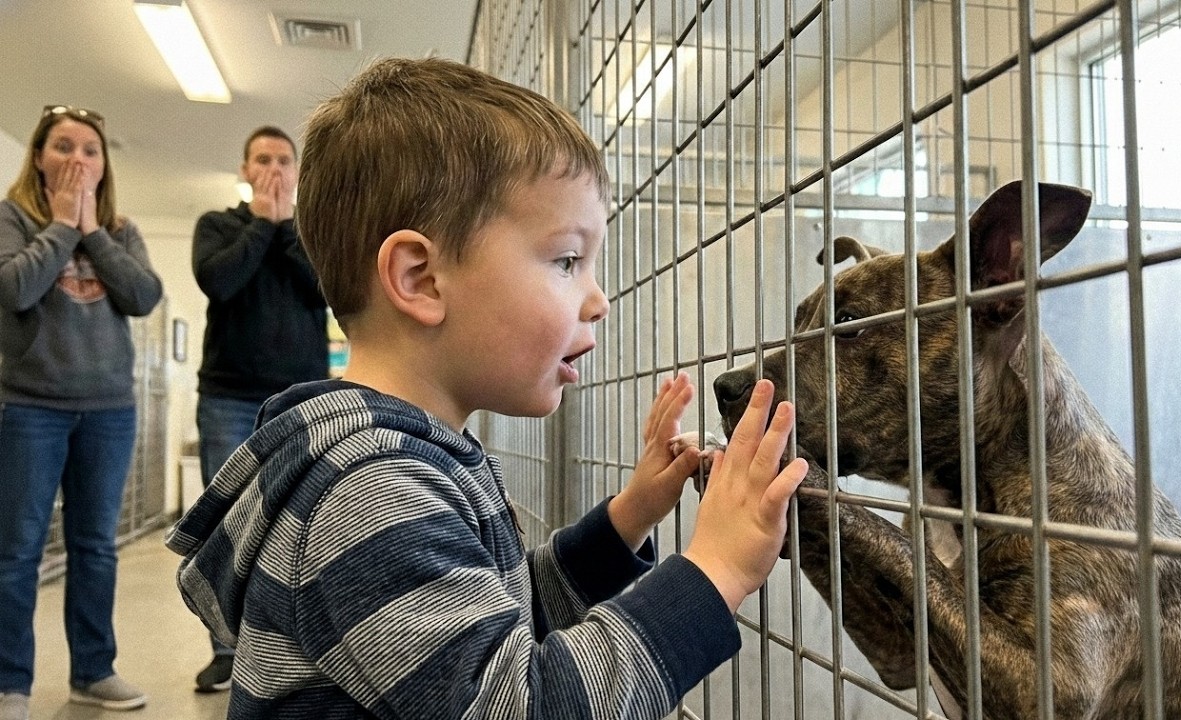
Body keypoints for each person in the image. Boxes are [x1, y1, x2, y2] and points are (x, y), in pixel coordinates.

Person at [165, 57, 808, 719]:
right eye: (566, 260)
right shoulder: (371, 487)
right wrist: (715, 570)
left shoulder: (400, 457)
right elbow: (523, 703)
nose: (599, 301)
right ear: (420, 279)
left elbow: (504, 618)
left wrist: (630, 516)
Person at [0, 105, 163, 720]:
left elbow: (144, 295)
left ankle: (93, 671)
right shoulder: (11, 218)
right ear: (39, 157)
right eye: (63, 147)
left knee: (96, 547)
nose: (77, 159)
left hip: (109, 410)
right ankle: (10, 683)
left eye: (90, 149)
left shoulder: (120, 230)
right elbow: (14, 287)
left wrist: (92, 231)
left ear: (103, 163)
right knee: (17, 551)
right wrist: (63, 227)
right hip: (30, 407)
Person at [188, 125, 329, 692]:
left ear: (298, 173)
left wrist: (285, 228)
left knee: (301, 522)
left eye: (283, 160)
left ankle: (286, 649)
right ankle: (228, 648)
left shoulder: (313, 234)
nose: (273, 169)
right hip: (228, 396)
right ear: (245, 171)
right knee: (226, 528)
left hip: (302, 399)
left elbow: (326, 288)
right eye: (262, 159)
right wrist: (261, 224)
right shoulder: (218, 226)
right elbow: (220, 281)